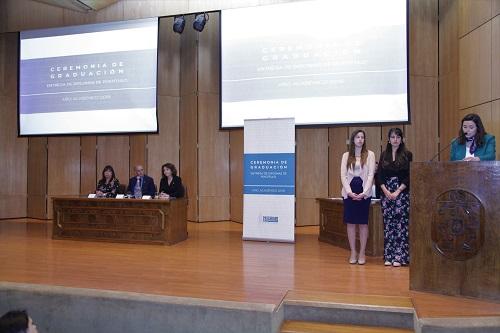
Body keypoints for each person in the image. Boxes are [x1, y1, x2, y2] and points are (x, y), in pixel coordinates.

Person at [378, 128, 413, 267]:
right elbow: (379, 175)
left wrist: (397, 191)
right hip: (386, 193)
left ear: (402, 139)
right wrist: (386, 191)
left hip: (402, 193)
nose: (395, 139)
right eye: (392, 137)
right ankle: (389, 256)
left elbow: (409, 175)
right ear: (388, 139)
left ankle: (400, 257)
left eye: (398, 137)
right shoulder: (384, 155)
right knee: (388, 225)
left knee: (400, 225)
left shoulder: (407, 154)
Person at [340, 130, 376, 265]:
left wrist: (364, 192)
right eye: (357, 137)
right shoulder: (346, 155)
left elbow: (371, 175)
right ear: (353, 140)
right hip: (349, 194)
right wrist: (349, 192)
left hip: (363, 195)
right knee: (350, 223)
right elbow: (343, 175)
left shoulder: (370, 154)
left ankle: (362, 252)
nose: (360, 139)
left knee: (362, 223)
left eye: (362, 137)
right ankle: (353, 251)